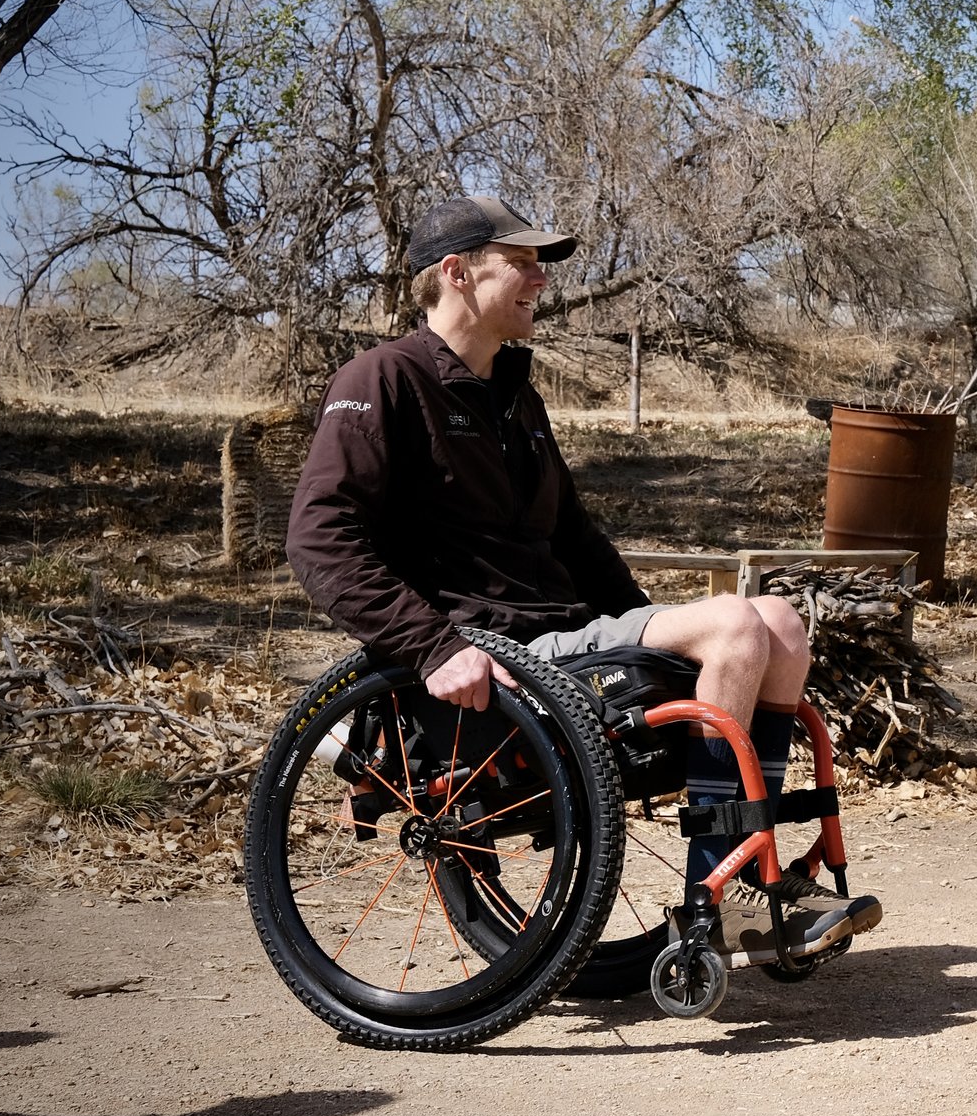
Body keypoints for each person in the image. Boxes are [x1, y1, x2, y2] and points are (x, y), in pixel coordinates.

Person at [285, 193, 878, 957]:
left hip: (567, 641)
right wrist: (433, 648)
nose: (542, 279)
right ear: (458, 273)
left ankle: (745, 881)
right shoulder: (382, 379)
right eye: (522, 262)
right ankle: (718, 903)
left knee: (780, 626)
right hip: (494, 655)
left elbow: (576, 538)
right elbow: (317, 536)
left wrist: (664, 639)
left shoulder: (515, 396)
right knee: (735, 624)